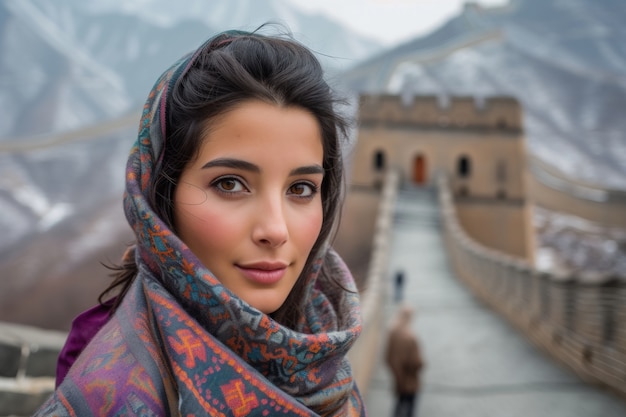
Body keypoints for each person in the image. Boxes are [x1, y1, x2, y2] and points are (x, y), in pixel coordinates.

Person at [36, 27, 366, 416]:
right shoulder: (103, 394)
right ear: (161, 197)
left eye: (301, 189)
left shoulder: (321, 344)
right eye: (231, 184)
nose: (276, 230)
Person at [385, 305, 424, 417]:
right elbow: (417, 362)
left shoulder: (392, 332)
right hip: (410, 379)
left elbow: (387, 357)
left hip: (398, 376)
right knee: (410, 407)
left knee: (399, 403)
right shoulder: (411, 338)